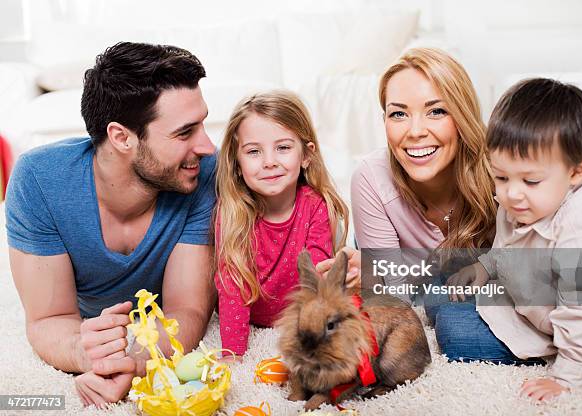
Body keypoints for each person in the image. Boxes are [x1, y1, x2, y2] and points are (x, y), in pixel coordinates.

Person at [5, 42, 217, 407]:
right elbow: (47, 319)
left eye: (202, 125)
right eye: (185, 133)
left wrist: (133, 364)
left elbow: (188, 310)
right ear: (121, 137)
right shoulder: (39, 180)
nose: (208, 146)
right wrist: (85, 351)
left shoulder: (201, 174)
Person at [442, 78, 582, 400]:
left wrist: (566, 377)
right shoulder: (519, 202)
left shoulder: (581, 229)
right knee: (442, 295)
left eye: (531, 181)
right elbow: (508, 247)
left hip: (568, 323)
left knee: (453, 330)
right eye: (501, 177)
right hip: (524, 299)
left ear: (577, 172)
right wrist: (483, 267)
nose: (512, 193)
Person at [317, 48, 497, 295]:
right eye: (399, 114)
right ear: (384, 121)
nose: (415, 132)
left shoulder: (502, 172)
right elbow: (397, 299)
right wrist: (375, 278)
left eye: (436, 111)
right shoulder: (371, 177)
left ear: (463, 116)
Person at [213, 91, 350, 359]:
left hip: (298, 317)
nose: (269, 161)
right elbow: (232, 287)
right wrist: (232, 354)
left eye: (283, 148)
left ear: (306, 156)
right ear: (237, 164)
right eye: (254, 151)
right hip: (253, 316)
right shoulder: (233, 213)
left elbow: (318, 277)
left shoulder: (316, 206)